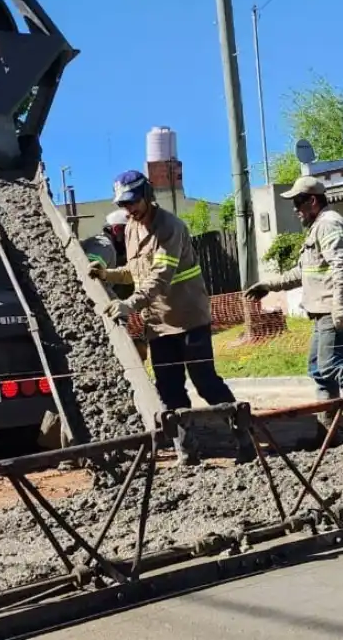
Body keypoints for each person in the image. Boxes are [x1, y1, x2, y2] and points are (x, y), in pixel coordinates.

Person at [88, 169, 255, 466]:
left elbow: (161, 275)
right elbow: (135, 270)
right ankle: (187, 450)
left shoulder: (170, 227)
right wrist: (107, 273)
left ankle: (244, 437)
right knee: (168, 387)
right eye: (123, 205)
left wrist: (130, 304)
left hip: (189, 317)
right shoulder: (131, 228)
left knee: (205, 382)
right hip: (158, 323)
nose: (129, 209)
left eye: (133, 202)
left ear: (147, 195)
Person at [244, 175, 343, 443]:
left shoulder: (330, 225)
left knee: (331, 363)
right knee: (318, 368)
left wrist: (339, 306)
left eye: (298, 202)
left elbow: (340, 267)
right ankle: (328, 431)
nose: (295, 209)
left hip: (336, 306)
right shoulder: (318, 227)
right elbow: (303, 271)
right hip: (326, 308)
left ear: (312, 201)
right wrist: (269, 284)